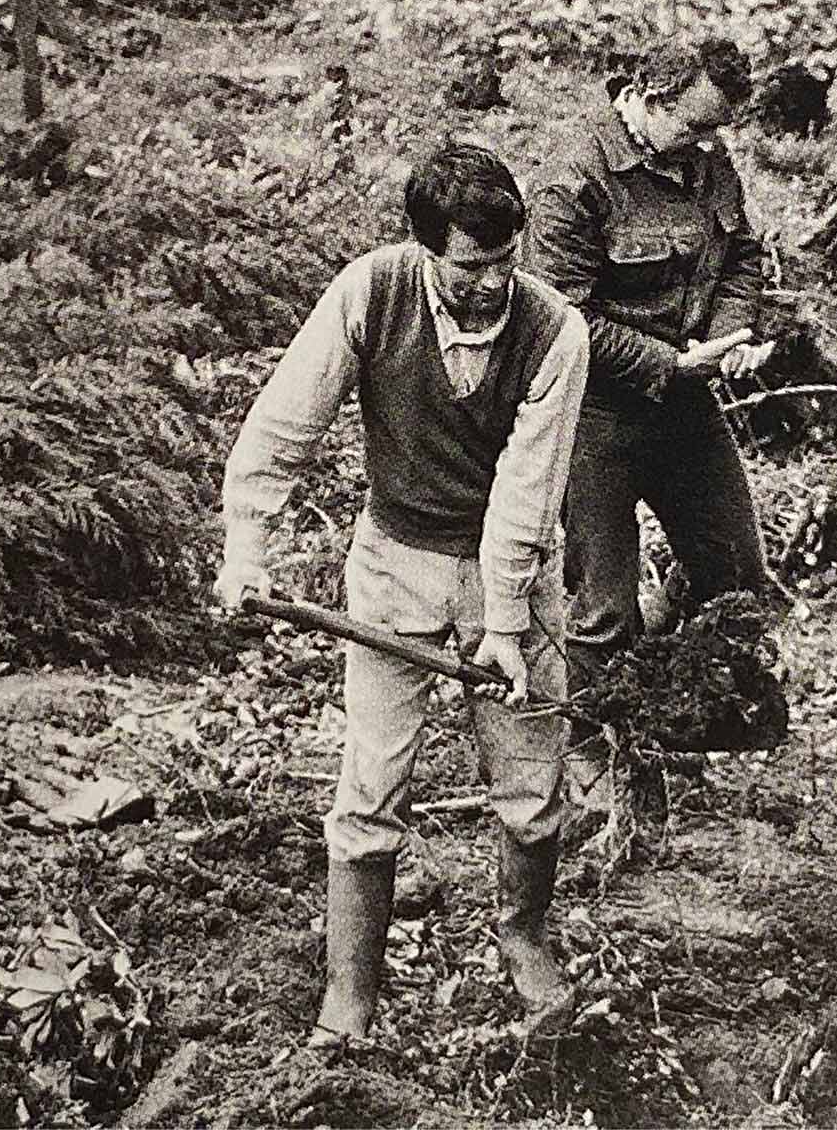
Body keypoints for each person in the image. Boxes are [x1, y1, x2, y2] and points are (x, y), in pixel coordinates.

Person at [215, 143, 589, 1046]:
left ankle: (525, 939)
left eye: (509, 259)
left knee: (531, 784)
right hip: (393, 569)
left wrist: (504, 623)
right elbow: (283, 422)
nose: (494, 281)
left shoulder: (555, 332)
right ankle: (352, 993)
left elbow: (527, 493)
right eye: (471, 265)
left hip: (520, 576)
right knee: (372, 785)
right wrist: (247, 546)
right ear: (427, 248)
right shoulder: (371, 293)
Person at [521, 37, 775, 829]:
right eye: (693, 128)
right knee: (601, 606)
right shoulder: (575, 180)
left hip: (688, 400)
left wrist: (730, 338)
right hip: (595, 413)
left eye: (713, 133)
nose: (705, 146)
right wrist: (669, 361)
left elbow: (741, 258)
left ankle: (661, 693)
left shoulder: (707, 157)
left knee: (734, 575)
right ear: (644, 97)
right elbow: (561, 319)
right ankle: (600, 757)